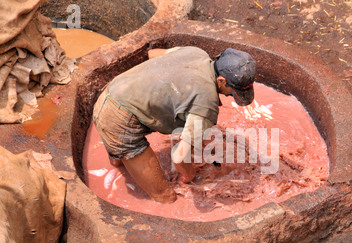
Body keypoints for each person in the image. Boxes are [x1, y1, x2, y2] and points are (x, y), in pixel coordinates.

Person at [92, 46, 256, 203]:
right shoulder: (206, 104)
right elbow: (178, 157)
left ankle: (118, 156)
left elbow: (153, 54)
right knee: (166, 197)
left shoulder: (195, 53)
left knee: (118, 161)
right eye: (233, 92)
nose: (230, 97)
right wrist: (190, 176)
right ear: (221, 81)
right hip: (118, 121)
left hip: (111, 92)